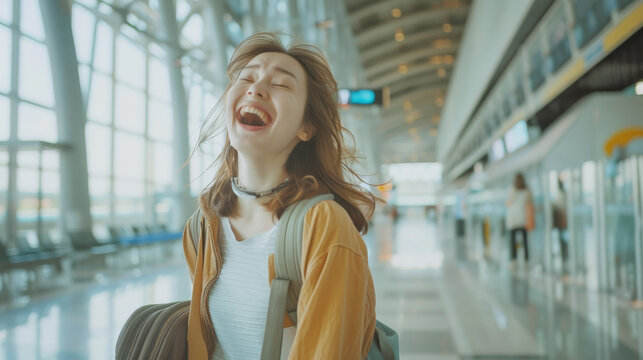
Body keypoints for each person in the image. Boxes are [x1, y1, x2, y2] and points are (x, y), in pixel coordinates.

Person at [182, 33, 378, 360]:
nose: (256, 88)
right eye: (246, 77)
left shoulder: (324, 226)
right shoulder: (204, 223)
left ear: (306, 127)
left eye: (282, 85)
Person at [506, 173, 532, 263]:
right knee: (525, 239)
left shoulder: (512, 190)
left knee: (513, 239)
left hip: (513, 218)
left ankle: (514, 259)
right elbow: (529, 202)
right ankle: (526, 258)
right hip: (523, 217)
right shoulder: (527, 191)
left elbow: (508, 203)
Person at [552, 178, 568, 263]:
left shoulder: (558, 194)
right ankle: (565, 253)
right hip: (564, 219)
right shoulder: (565, 194)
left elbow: (556, 206)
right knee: (564, 238)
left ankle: (564, 253)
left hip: (560, 220)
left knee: (562, 238)